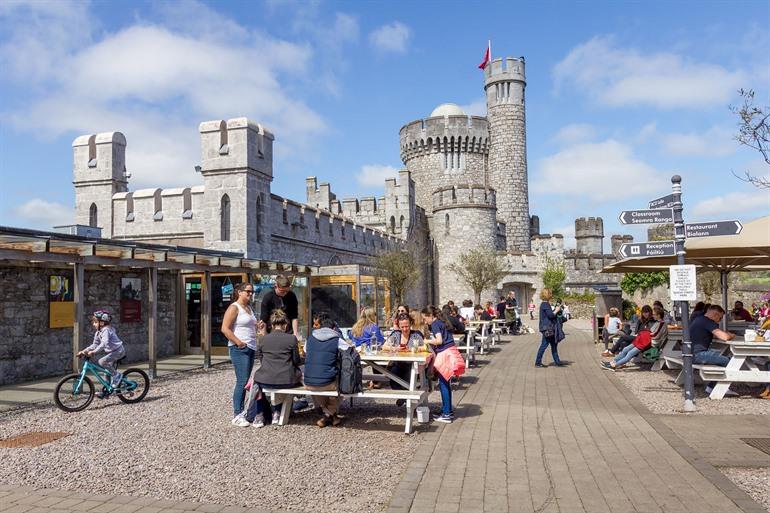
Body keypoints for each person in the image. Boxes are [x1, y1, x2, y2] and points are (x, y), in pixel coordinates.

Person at [236, 310, 302, 428]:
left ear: (271, 325)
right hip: (287, 380)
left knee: (258, 383)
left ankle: (259, 415)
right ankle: (276, 412)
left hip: (266, 379)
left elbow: (262, 360)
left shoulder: (263, 340)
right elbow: (296, 361)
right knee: (292, 376)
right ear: (286, 325)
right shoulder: (292, 339)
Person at [221, 282, 258, 423]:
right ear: (239, 292)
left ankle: (243, 411)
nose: (250, 294)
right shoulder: (234, 308)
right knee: (242, 381)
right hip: (239, 348)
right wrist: (238, 342)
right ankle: (237, 414)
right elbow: (225, 328)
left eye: (252, 292)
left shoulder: (248, 308)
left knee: (246, 380)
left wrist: (258, 325)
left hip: (251, 347)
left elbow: (248, 325)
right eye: (248, 291)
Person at [304, 312, 348, 427]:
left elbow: (305, 351)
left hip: (309, 382)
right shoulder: (336, 339)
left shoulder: (310, 339)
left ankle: (329, 415)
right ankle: (327, 415)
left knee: (319, 379)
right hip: (326, 383)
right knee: (345, 383)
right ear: (333, 328)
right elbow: (350, 350)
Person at [421, 306, 458, 423]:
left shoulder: (435, 324)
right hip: (450, 352)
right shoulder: (442, 322)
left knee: (443, 383)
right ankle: (447, 410)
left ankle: (447, 413)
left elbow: (439, 340)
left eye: (425, 318)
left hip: (444, 353)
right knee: (446, 383)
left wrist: (427, 341)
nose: (425, 321)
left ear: (430, 316)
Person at [691, 305, 738, 396]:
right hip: (698, 355)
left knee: (721, 357)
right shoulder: (708, 321)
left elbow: (714, 334)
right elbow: (724, 337)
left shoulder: (699, 319)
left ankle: (711, 387)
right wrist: (731, 335)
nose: (719, 321)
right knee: (730, 362)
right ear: (715, 314)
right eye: (720, 318)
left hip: (691, 353)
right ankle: (720, 387)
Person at [602, 305, 668, 371]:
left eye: (654, 314)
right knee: (625, 349)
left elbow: (655, 335)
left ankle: (614, 365)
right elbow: (652, 333)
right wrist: (645, 333)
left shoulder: (661, 323)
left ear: (659, 315)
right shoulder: (657, 322)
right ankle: (612, 362)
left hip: (648, 342)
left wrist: (646, 333)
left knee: (630, 353)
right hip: (642, 339)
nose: (653, 316)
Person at [77, 310, 126, 395]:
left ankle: (117, 376)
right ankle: (107, 390)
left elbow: (104, 343)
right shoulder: (98, 332)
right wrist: (84, 351)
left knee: (102, 361)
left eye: (95, 322)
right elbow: (95, 344)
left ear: (102, 323)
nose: (93, 324)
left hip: (118, 351)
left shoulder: (106, 330)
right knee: (106, 371)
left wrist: (94, 352)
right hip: (113, 352)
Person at [383, 313, 425, 405]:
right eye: (402, 327)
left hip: (412, 365)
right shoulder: (396, 335)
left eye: (407, 326)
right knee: (392, 379)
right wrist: (394, 348)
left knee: (409, 381)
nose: (405, 329)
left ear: (410, 324)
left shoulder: (416, 335)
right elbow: (384, 346)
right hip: (398, 364)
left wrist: (414, 349)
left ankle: (407, 399)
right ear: (399, 326)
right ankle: (404, 397)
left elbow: (425, 347)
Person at [535, 288, 563, 368]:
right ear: (548, 294)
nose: (551, 295)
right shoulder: (545, 304)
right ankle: (538, 362)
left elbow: (548, 314)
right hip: (548, 328)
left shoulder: (544, 304)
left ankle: (557, 361)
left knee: (554, 345)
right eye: (550, 293)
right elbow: (550, 315)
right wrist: (556, 310)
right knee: (544, 345)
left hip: (547, 327)